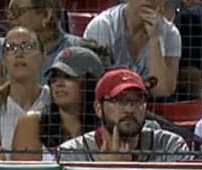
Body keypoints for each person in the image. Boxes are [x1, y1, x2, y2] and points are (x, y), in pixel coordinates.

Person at [57, 68, 190, 162]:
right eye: (120, 101)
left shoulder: (170, 146)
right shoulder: (71, 154)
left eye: (137, 101)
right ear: (98, 108)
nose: (130, 109)